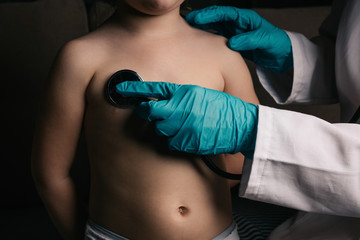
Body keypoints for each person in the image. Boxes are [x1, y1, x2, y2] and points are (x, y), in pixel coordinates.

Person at [116, 0, 360, 238]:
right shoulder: (83, 54)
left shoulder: (220, 53)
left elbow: (236, 164)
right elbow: (350, 60)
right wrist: (295, 57)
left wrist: (250, 131)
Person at [30, 0, 260, 239]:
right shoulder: (80, 57)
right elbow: (51, 174)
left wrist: (190, 192)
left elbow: (247, 153)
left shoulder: (224, 53)